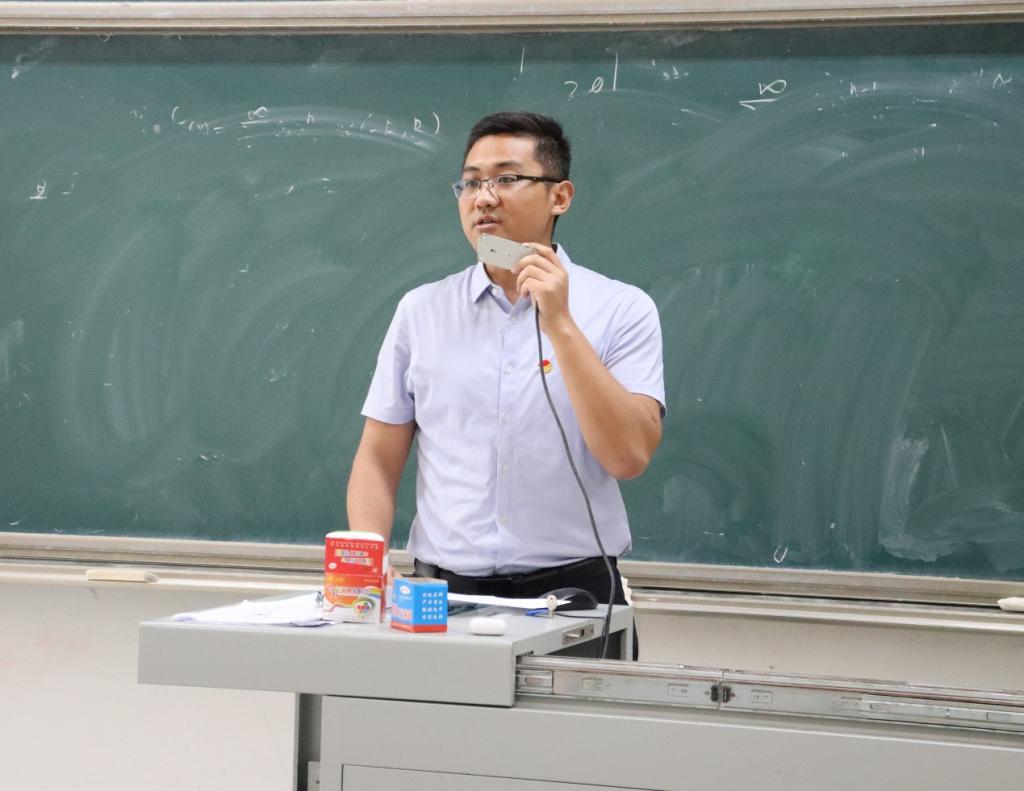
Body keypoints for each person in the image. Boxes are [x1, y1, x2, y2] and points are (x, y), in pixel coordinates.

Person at [347, 111, 665, 653]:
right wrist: (367, 558)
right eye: (471, 183)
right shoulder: (422, 310)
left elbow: (629, 457)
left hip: (574, 599)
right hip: (440, 598)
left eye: (507, 178)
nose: (484, 198)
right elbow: (378, 457)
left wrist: (561, 323)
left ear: (560, 196)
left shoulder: (621, 308)